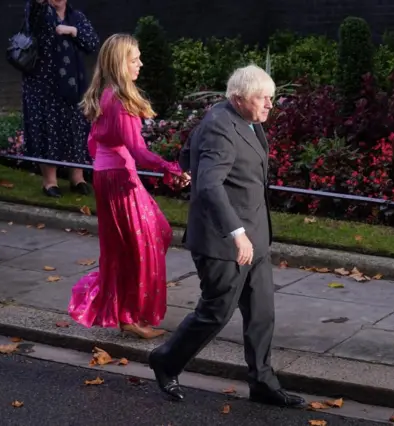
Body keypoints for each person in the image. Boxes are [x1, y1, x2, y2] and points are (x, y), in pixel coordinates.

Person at [148, 64, 307, 408]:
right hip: (225, 242)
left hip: (256, 238)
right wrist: (237, 233)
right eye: (262, 98)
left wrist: (189, 167)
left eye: (271, 97)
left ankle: (262, 383)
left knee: (262, 314)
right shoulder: (220, 127)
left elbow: (187, 154)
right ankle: (166, 361)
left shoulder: (240, 117)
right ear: (238, 98)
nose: (269, 105)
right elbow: (208, 184)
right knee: (215, 313)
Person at [68, 34, 189, 339]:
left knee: (151, 235)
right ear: (120, 63)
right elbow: (137, 150)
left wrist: (108, 163)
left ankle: (125, 308)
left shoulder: (106, 95)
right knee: (140, 245)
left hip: (112, 176)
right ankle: (129, 315)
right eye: (134, 59)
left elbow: (94, 141)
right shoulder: (119, 101)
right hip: (120, 178)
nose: (140, 64)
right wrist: (170, 168)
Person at [22, 0, 99, 198]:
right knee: (48, 131)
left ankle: (77, 178)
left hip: (74, 86)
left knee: (76, 130)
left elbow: (92, 42)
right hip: (43, 87)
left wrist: (73, 31)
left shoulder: (77, 16)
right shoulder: (39, 13)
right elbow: (33, 14)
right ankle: (50, 182)